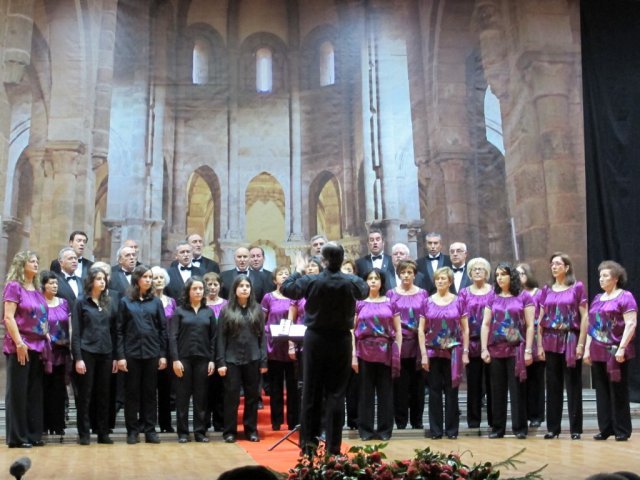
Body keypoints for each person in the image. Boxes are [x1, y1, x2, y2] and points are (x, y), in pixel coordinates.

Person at [282, 242, 369, 455]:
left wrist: (298, 270)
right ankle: (334, 448)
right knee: (336, 394)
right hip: (340, 340)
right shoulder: (352, 281)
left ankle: (308, 447)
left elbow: (286, 288)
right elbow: (365, 292)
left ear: (323, 261)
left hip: (316, 339)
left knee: (311, 392)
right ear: (341, 260)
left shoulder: (311, 280)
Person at [584, 260, 637, 442]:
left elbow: (631, 324)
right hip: (597, 351)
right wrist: (586, 350)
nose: (601, 279)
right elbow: (592, 326)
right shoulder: (598, 299)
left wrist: (622, 348)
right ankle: (605, 428)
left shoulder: (625, 297)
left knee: (618, 390)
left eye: (605, 275)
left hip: (616, 351)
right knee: (602, 391)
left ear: (615, 278)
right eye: (600, 276)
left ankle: (622, 429)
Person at [480, 262, 534, 439]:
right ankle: (498, 428)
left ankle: (519, 428)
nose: (499, 278)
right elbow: (486, 324)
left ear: (512, 276)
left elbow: (530, 325)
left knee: (517, 389)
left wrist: (528, 350)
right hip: (495, 349)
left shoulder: (524, 297)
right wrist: (483, 349)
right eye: (497, 275)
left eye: (503, 274)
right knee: (497, 390)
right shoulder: (492, 297)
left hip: (516, 349)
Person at [537, 252, 587, 440]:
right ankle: (553, 428)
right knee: (553, 385)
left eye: (558, 263)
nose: (554, 266)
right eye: (552, 264)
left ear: (566, 267)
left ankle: (575, 428)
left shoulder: (577, 287)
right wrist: (539, 344)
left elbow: (585, 317)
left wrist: (581, 343)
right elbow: (540, 319)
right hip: (550, 339)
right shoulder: (546, 289)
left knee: (573, 384)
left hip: (570, 339)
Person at [116, 265, 168, 445]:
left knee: (149, 394)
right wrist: (121, 356)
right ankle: (132, 430)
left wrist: (162, 354)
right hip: (131, 354)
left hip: (152, 353)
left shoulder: (156, 302)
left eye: (150, 277)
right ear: (137, 279)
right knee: (132, 394)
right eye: (145, 277)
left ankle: (150, 430)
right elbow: (119, 330)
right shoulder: (125, 302)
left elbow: (163, 329)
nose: (149, 280)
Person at [3, 251, 50, 448]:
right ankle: (18, 437)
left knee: (33, 393)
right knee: (18, 392)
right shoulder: (14, 287)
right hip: (20, 346)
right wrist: (20, 343)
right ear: (21, 265)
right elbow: (8, 317)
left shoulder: (37, 289)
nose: (36, 264)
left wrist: (45, 332)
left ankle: (32, 434)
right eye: (32, 261)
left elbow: (40, 316)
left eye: (37, 260)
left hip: (38, 346)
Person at [419, 266, 469, 439]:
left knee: (452, 390)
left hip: (453, 351)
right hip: (432, 351)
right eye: (437, 278)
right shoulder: (427, 301)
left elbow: (465, 329)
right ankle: (436, 430)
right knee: (434, 391)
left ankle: (452, 430)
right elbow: (421, 330)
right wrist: (424, 354)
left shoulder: (459, 301)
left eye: (443, 279)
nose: (440, 281)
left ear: (450, 281)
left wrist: (465, 352)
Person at [216, 275, 267, 443]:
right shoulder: (226, 310)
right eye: (241, 286)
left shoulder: (258, 309)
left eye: (247, 286)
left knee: (252, 396)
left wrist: (263, 361)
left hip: (253, 358)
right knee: (231, 397)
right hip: (231, 360)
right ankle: (230, 431)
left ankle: (251, 430)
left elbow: (262, 337)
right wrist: (221, 362)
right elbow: (221, 338)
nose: (245, 288)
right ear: (235, 289)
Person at [352, 268, 401, 441]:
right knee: (365, 393)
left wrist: (398, 351)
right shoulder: (359, 303)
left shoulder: (390, 302)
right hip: (364, 350)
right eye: (370, 278)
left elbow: (398, 330)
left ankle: (384, 430)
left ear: (381, 282)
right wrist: (353, 355)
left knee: (385, 392)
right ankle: (365, 430)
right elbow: (352, 330)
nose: (373, 281)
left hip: (386, 351)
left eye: (376, 278)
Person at [72, 266, 117, 445]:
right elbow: (76, 332)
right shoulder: (81, 302)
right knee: (85, 394)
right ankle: (84, 433)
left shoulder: (108, 302)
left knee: (104, 394)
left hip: (105, 353)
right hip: (86, 352)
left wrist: (114, 356)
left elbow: (113, 331)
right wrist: (78, 358)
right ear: (91, 281)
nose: (102, 282)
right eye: (99, 278)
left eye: (104, 279)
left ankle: (103, 432)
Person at [170, 277, 217, 443]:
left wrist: (212, 360)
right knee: (182, 397)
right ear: (188, 291)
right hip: (183, 360)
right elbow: (173, 337)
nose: (198, 291)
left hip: (203, 360)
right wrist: (175, 360)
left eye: (200, 289)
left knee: (201, 397)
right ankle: (183, 432)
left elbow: (214, 338)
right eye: (194, 289)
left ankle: (200, 432)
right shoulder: (179, 311)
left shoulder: (209, 312)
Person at [389, 259, 428, 431]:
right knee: (399, 385)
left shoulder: (423, 294)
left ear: (414, 274)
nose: (406, 275)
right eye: (403, 272)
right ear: (399, 274)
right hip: (399, 344)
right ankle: (401, 421)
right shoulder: (391, 294)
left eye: (409, 272)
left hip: (418, 344)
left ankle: (417, 421)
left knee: (418, 386)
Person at [261, 265, 299, 431]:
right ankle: (276, 422)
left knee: (292, 386)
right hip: (274, 346)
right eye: (281, 274)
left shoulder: (296, 297)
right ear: (275, 279)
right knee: (275, 386)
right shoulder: (268, 297)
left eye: (286, 274)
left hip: (292, 346)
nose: (284, 276)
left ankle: (293, 421)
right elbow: (262, 321)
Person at [458, 257, 493, 429]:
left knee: (492, 383)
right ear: (470, 273)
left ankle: (494, 420)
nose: (477, 271)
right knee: (473, 383)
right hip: (470, 343)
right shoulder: (464, 293)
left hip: (492, 344)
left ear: (487, 272)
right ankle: (473, 420)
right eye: (474, 269)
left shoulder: (493, 292)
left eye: (481, 269)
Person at [41, 270, 71, 440]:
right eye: (51, 283)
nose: (54, 286)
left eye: (56, 283)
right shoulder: (39, 303)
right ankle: (44, 425)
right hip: (45, 353)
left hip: (62, 352)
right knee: (44, 389)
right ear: (43, 285)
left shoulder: (64, 303)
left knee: (59, 390)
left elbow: (70, 326)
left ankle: (58, 425)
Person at [516, 262, 545, 429]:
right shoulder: (515, 294)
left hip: (536, 338)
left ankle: (537, 415)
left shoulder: (539, 293)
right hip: (520, 339)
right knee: (521, 378)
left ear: (528, 275)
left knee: (536, 379)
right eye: (516, 274)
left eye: (521, 273)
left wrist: (539, 346)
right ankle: (524, 414)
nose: (518, 277)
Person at [151, 265, 177, 433]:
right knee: (149, 388)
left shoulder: (172, 301)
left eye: (161, 278)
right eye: (155, 278)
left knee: (167, 389)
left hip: (168, 349)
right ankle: (148, 422)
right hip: (151, 348)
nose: (159, 280)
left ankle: (166, 423)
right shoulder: (146, 300)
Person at [204, 272, 227, 432]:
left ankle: (219, 423)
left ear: (220, 286)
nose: (212, 288)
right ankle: (204, 423)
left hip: (222, 351)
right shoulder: (200, 303)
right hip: (204, 351)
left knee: (220, 390)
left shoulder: (227, 304)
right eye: (209, 285)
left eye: (215, 284)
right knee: (204, 390)